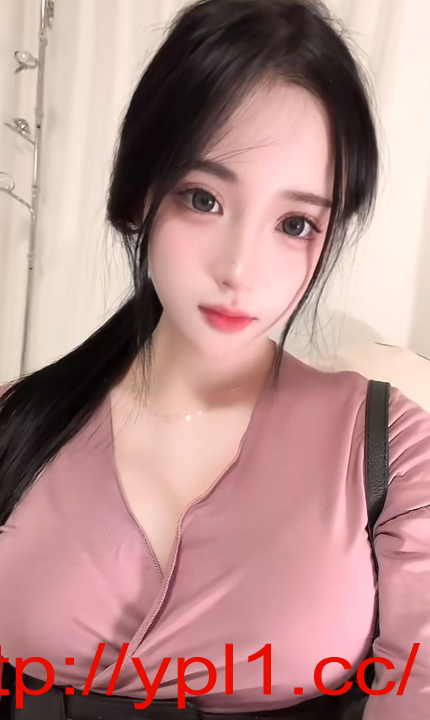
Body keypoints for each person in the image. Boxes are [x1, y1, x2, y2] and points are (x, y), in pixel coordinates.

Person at [0, 0, 429, 718]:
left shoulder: (389, 446)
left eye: (295, 224)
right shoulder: (16, 424)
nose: (240, 269)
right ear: (139, 195)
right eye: (203, 199)